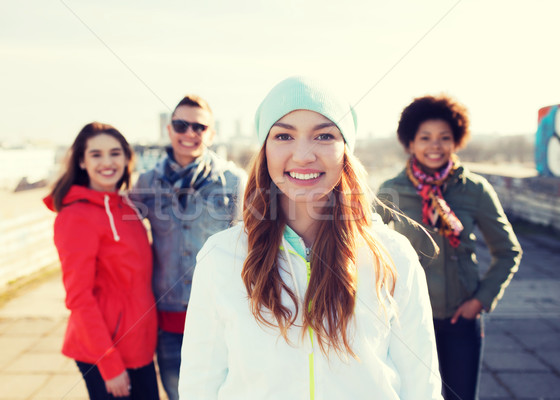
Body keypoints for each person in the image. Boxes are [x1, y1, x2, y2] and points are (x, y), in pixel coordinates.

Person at [179, 76, 443, 399]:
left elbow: (422, 386)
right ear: (265, 150)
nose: (303, 155)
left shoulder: (392, 255)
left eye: (323, 135)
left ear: (346, 150)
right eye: (284, 135)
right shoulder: (221, 256)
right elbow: (199, 384)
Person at [377, 95, 523, 400]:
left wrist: (479, 301)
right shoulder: (392, 190)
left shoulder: (475, 190)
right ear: (410, 143)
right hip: (408, 320)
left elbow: (508, 251)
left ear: (456, 140)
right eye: (425, 138)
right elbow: (366, 245)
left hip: (461, 320)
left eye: (444, 138)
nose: (435, 145)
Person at [130, 95, 247, 400]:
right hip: (168, 316)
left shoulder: (234, 181)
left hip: (220, 313)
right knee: (179, 393)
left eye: (199, 126)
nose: (190, 132)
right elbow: (118, 229)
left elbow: (249, 243)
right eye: (181, 125)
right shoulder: (146, 182)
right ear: (169, 129)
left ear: (211, 133)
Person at [44, 122, 159, 399]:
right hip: (105, 352)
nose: (107, 162)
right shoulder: (75, 217)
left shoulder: (126, 206)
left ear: (127, 158)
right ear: (82, 162)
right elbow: (78, 297)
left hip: (139, 347)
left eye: (115, 153)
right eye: (96, 155)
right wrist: (109, 364)